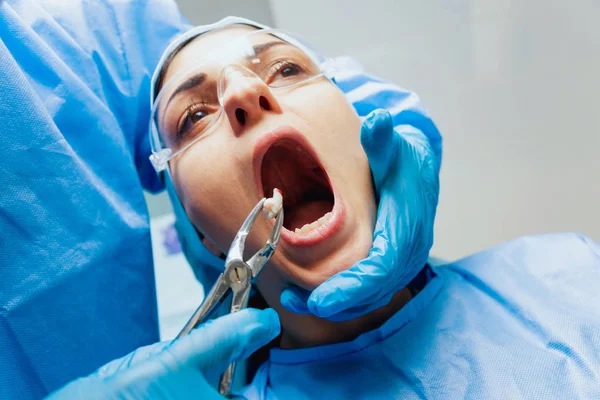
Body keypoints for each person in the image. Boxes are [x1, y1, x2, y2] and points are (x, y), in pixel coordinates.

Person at [53, 17, 600, 399]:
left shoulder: (569, 276)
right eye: (194, 117)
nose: (244, 94)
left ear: (360, 118)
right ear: (201, 234)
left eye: (287, 69)